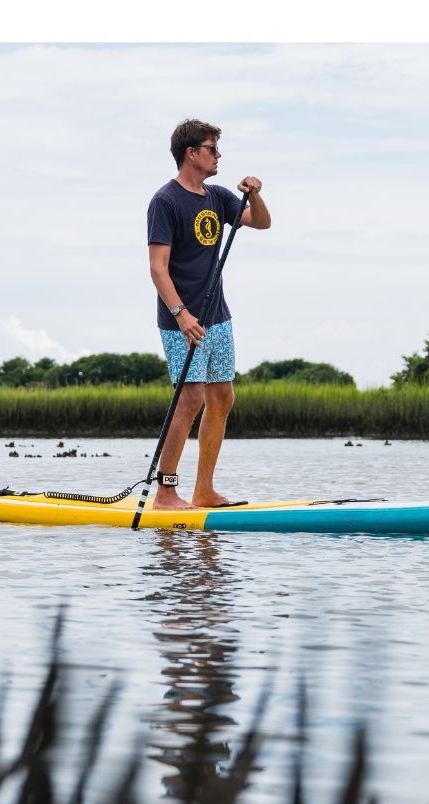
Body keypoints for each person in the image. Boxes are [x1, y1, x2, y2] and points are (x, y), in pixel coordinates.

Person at [146, 118, 271, 510]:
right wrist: (181, 315)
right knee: (190, 398)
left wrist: (255, 195)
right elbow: (157, 269)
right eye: (212, 148)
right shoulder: (165, 201)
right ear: (191, 153)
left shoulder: (217, 197)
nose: (219, 155)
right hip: (181, 321)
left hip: (218, 316)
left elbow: (262, 222)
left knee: (221, 396)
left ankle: (204, 491)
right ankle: (166, 493)